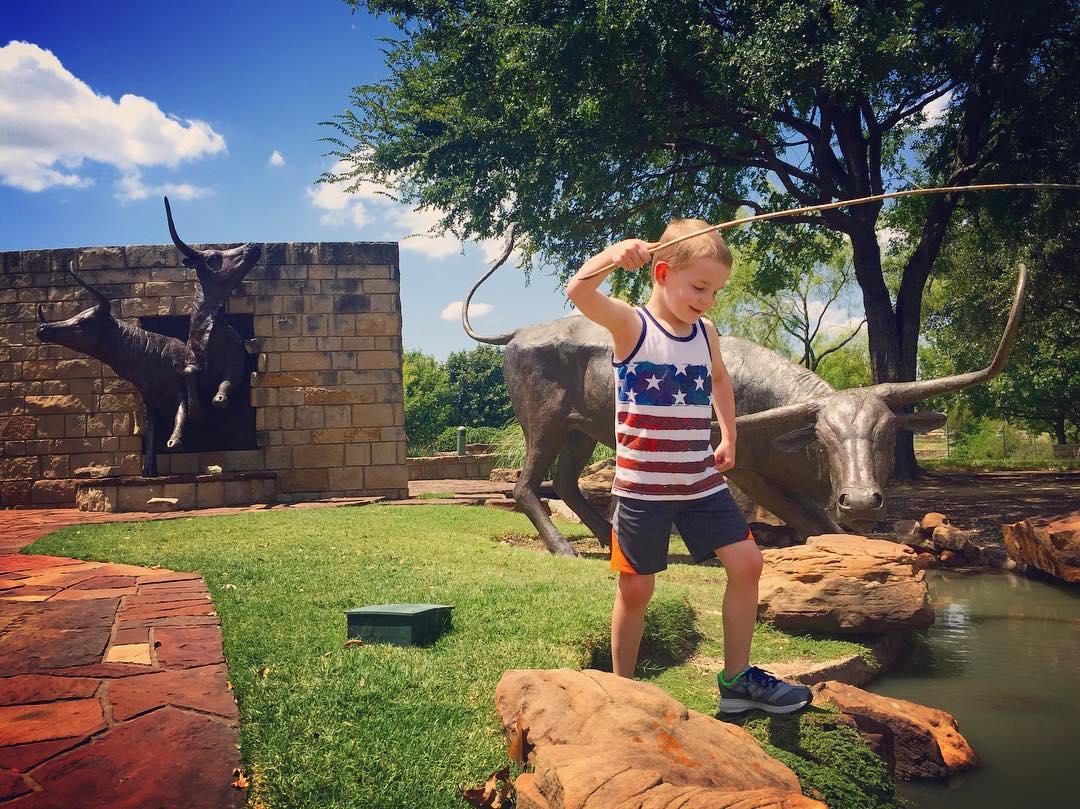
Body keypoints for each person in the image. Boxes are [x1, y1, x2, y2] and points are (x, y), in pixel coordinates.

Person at [566, 219, 812, 714]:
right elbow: (579, 290)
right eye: (699, 287)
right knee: (636, 588)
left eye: (716, 290)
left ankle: (737, 682)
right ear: (661, 272)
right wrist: (614, 253)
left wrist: (729, 432)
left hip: (699, 479)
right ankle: (624, 692)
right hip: (642, 486)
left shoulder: (706, 332)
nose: (707, 299)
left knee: (748, 563)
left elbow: (720, 379)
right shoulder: (631, 326)